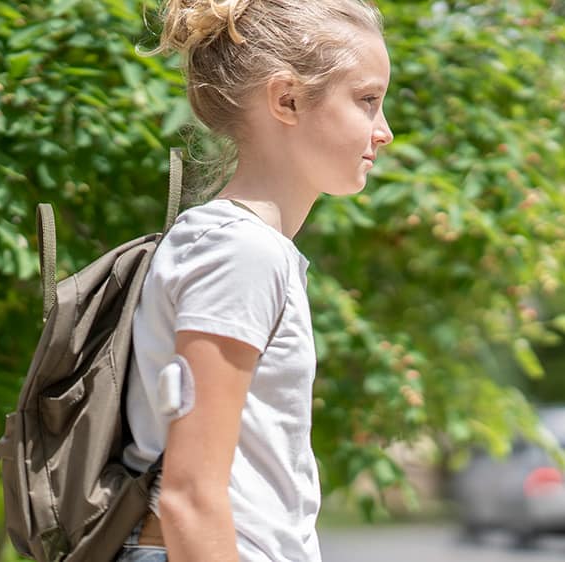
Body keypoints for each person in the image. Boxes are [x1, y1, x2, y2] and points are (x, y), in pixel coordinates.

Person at [119, 0, 393, 560]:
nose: (384, 131)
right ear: (286, 99)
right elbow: (190, 500)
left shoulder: (246, 248)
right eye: (367, 101)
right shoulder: (240, 252)